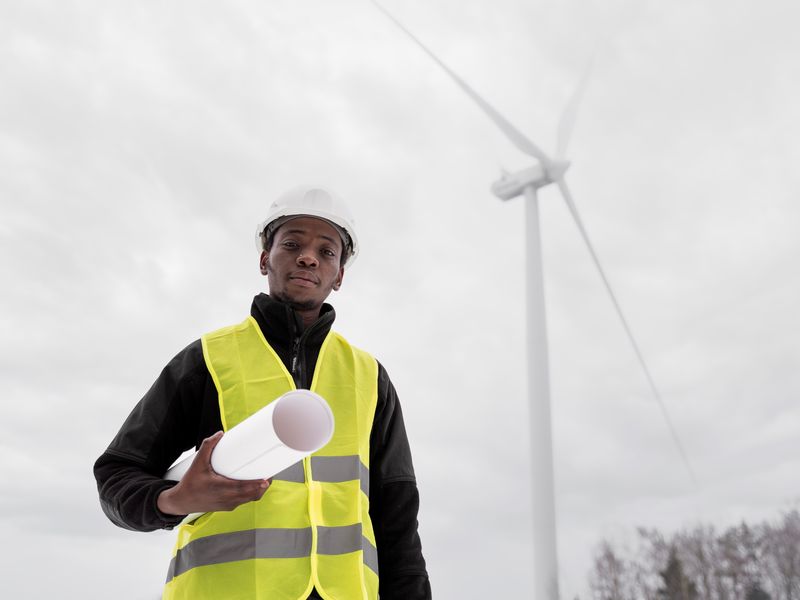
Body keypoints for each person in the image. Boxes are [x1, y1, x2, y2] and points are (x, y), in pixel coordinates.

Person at [94, 185, 431, 600]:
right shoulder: (208, 360)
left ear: (339, 275)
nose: (308, 256)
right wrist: (174, 499)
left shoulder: (369, 377)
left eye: (327, 252)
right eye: (291, 244)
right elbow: (116, 476)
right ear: (263, 259)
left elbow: (398, 522)